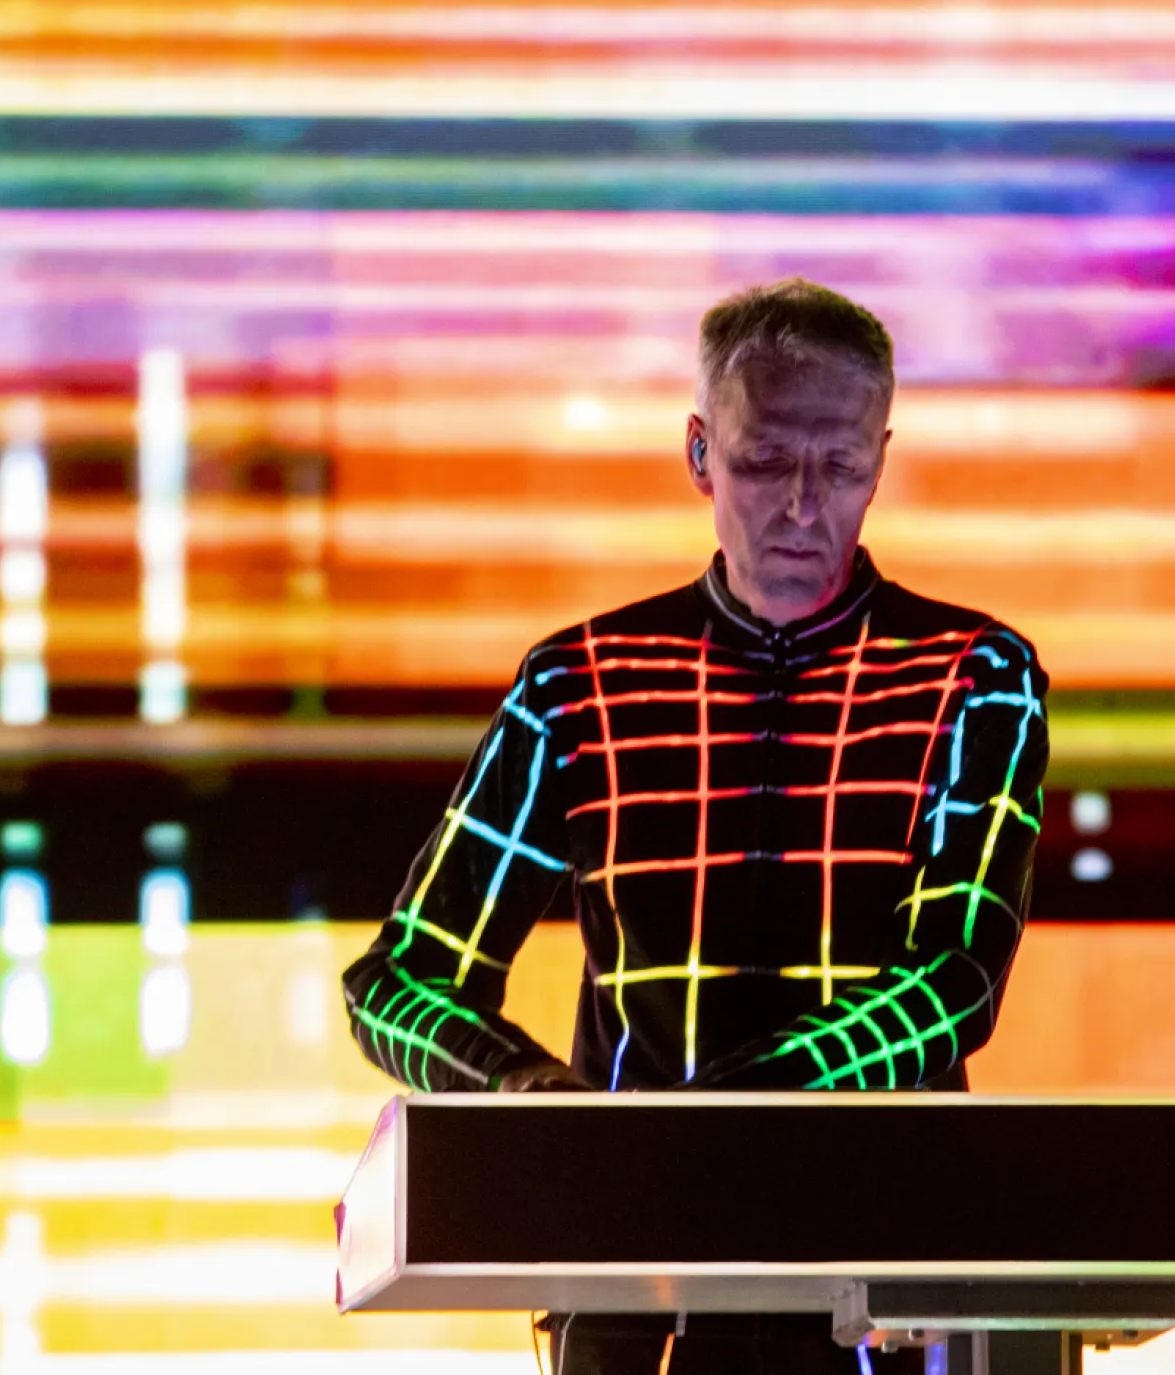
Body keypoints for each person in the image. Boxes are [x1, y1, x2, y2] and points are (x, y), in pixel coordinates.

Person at [342, 277, 1051, 1374]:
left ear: (880, 461)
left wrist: (706, 1116)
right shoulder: (578, 685)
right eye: (766, 461)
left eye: (841, 466)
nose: (804, 506)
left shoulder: (974, 676)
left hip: (881, 1279)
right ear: (700, 453)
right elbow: (396, 981)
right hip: (634, 1296)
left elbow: (958, 981)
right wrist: (530, 1096)